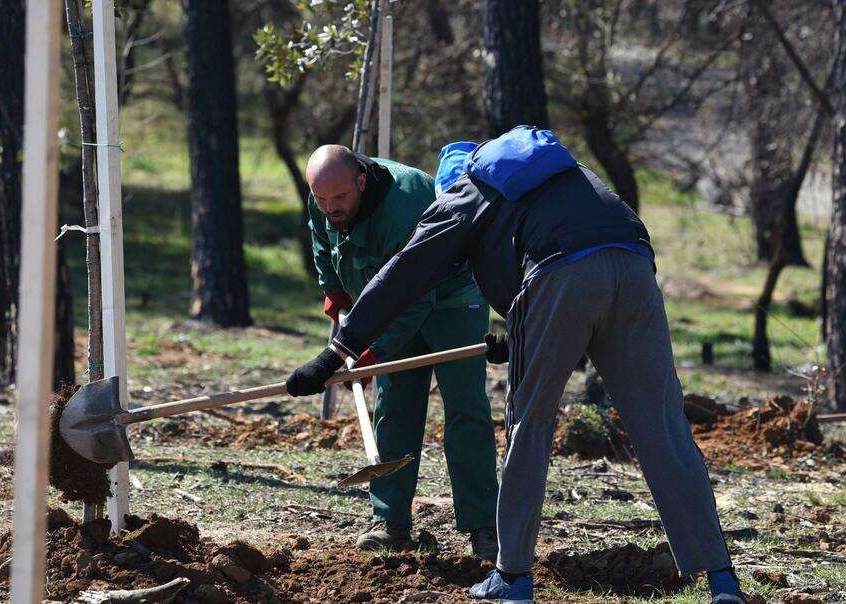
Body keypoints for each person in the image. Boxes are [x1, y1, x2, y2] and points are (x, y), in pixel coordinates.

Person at [285, 127, 748, 604]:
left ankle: (512, 577)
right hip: (634, 267)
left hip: (560, 273)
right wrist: (523, 327)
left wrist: (337, 352)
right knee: (664, 427)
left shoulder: (466, 191)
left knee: (530, 425)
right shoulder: (557, 175)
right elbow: (545, 252)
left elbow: (405, 271)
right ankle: (721, 579)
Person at [301, 144, 500, 560]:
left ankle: (484, 527)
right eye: (321, 200)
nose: (329, 208)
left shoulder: (405, 204)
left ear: (360, 180)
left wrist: (370, 351)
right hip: (389, 303)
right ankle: (391, 521)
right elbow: (324, 243)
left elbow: (415, 297)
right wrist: (336, 299)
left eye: (338, 199)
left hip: (451, 299)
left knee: (466, 409)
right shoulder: (324, 195)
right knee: (394, 406)